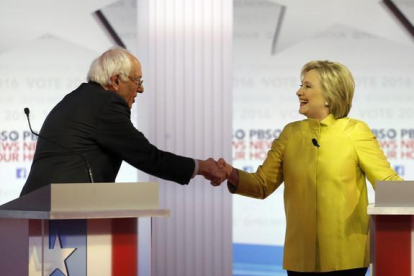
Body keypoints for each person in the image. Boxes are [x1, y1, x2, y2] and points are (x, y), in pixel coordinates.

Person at [219, 60, 403, 275]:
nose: (299, 92)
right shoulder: (291, 133)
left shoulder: (355, 131)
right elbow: (261, 185)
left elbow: (387, 182)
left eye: (307, 86)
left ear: (329, 94)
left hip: (346, 257)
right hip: (300, 257)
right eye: (301, 85)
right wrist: (230, 174)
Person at [20, 47, 226, 196]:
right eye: (138, 81)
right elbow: (146, 156)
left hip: (38, 210)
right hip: (64, 214)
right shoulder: (106, 103)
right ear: (116, 80)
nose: (141, 89)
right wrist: (201, 167)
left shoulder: (76, 99)